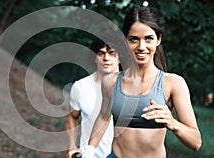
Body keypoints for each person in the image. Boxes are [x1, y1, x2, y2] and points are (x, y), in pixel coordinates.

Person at [82, 6, 202, 158]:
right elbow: (103, 117)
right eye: (134, 39)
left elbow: (196, 142)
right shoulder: (111, 81)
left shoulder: (173, 83)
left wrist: (173, 123)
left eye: (148, 38)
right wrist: (88, 152)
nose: (141, 47)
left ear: (158, 39)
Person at [66, 37, 121, 158]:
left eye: (112, 53)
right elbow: (72, 116)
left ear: (120, 58)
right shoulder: (80, 86)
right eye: (101, 53)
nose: (106, 58)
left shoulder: (131, 88)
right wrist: (72, 146)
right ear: (94, 58)